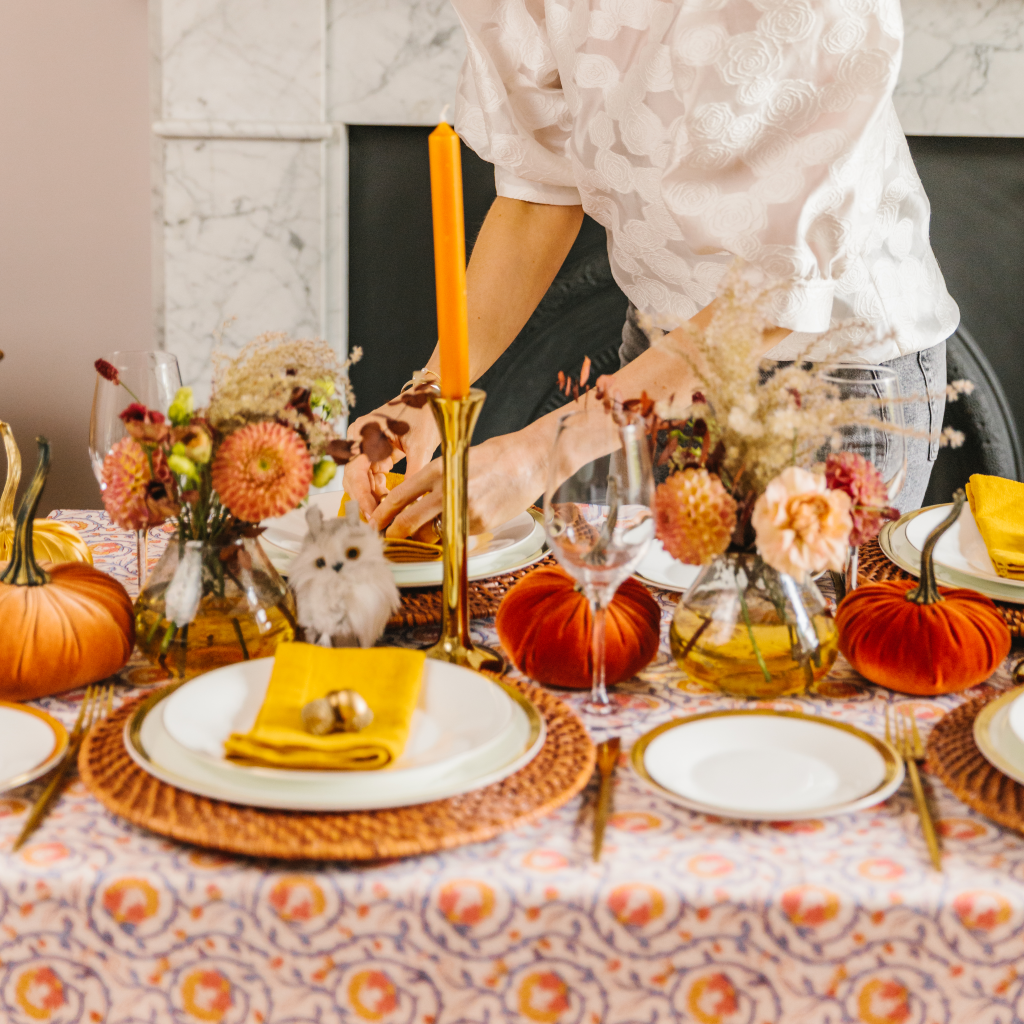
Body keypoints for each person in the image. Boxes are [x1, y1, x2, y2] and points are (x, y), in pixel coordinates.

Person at [344, 0, 959, 537]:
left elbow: (779, 288)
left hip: (832, 377)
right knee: (662, 653)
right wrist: (428, 391)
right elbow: (539, 192)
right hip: (659, 362)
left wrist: (542, 454)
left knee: (794, 657)